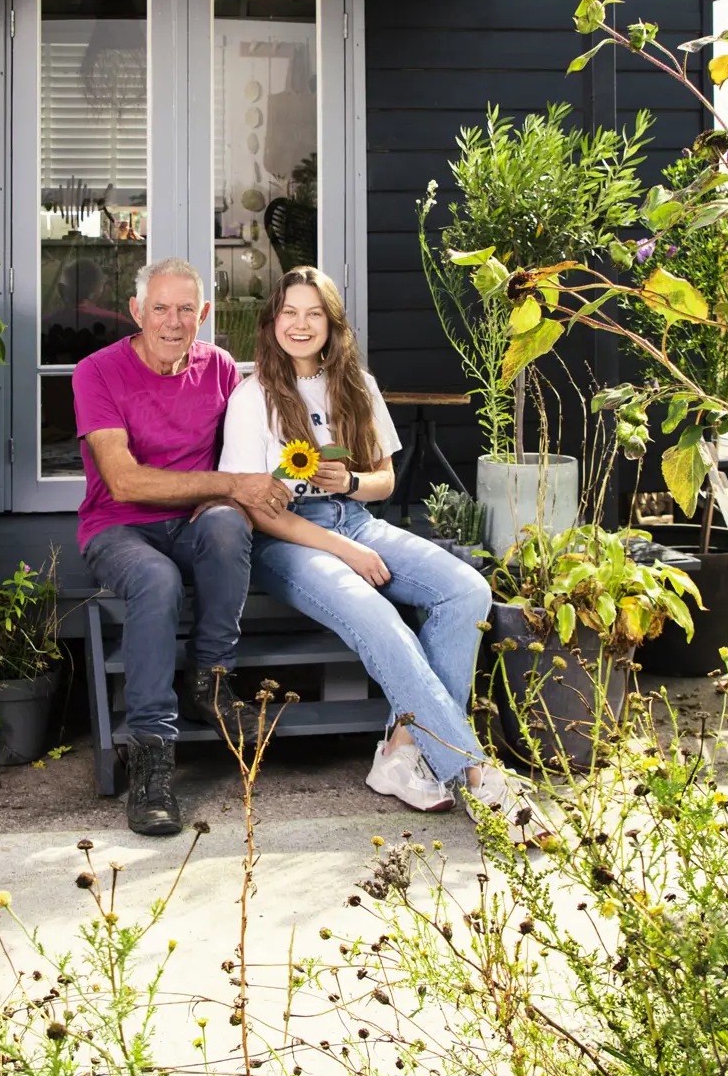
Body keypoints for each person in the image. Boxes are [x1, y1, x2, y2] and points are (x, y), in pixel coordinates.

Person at [217, 265, 543, 830]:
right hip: (288, 538)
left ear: (331, 323)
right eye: (289, 313)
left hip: (356, 519)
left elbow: (384, 481)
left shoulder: (356, 385)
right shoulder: (253, 396)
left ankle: (399, 750)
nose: (300, 324)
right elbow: (256, 508)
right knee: (378, 613)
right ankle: (475, 774)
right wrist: (344, 552)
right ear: (272, 322)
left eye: (313, 313)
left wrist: (348, 485)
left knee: (467, 590)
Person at [74, 257, 293, 837]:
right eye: (160, 308)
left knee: (227, 525)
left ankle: (211, 681)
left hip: (193, 523)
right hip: (117, 527)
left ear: (206, 314)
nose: (173, 321)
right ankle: (152, 757)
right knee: (157, 580)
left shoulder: (220, 367)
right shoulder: (97, 372)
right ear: (136, 311)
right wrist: (226, 486)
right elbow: (125, 481)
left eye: (185, 310)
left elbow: (243, 455)